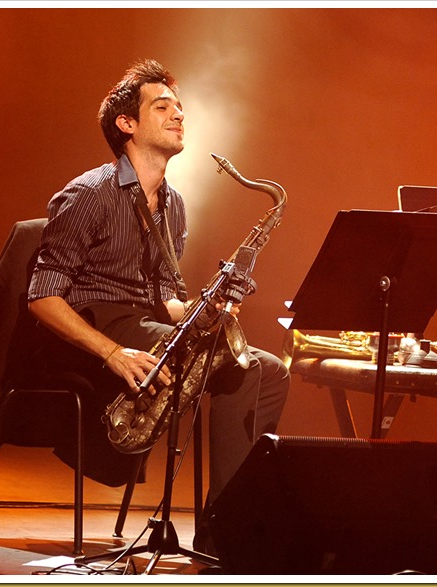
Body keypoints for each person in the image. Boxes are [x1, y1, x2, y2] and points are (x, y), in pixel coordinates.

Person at [27, 59, 290, 553]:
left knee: (267, 370)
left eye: (180, 108)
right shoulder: (89, 194)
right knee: (233, 363)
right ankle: (228, 530)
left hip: (141, 323)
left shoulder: (174, 204)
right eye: (162, 106)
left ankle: (231, 518)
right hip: (93, 325)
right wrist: (111, 353)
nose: (178, 116)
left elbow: (164, 300)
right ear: (127, 124)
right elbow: (42, 297)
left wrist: (203, 310)